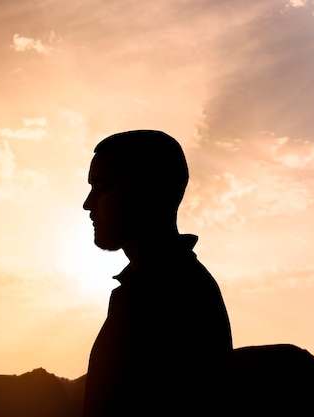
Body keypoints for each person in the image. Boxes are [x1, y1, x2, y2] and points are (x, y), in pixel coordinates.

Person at [81, 130, 233, 416]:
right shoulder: (152, 285)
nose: (88, 204)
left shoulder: (174, 294)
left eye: (100, 188)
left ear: (144, 191)